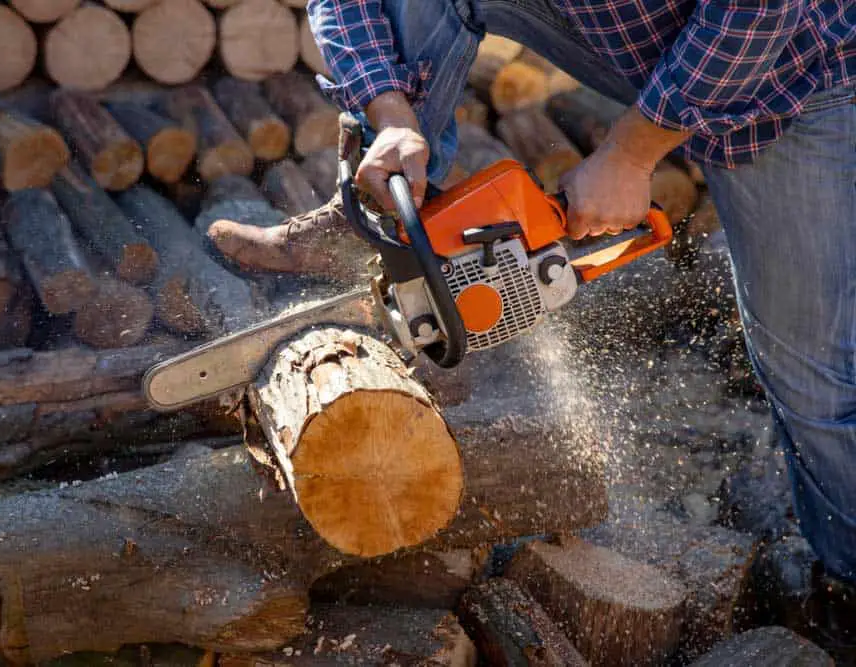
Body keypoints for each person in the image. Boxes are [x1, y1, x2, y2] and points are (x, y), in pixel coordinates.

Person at [207, 0, 856, 653]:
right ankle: (377, 226)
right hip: (646, 36)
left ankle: (848, 579)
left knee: (813, 382)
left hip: (788, 79)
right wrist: (393, 115)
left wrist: (630, 154)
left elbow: (756, 13)